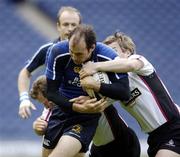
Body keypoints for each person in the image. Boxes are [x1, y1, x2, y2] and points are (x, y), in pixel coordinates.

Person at [79, 32, 180, 157]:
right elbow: (100, 104)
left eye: (114, 51)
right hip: (155, 137)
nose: (109, 56)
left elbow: (130, 65)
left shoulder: (137, 61)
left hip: (174, 126)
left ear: (127, 52)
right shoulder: (117, 84)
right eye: (106, 53)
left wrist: (96, 66)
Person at [44, 24, 132, 157]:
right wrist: (75, 106)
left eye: (79, 54)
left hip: (86, 117)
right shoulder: (57, 52)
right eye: (71, 51)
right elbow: (51, 92)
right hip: (61, 111)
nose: (73, 57)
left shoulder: (108, 56)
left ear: (92, 47)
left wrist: (96, 85)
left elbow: (124, 92)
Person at [30, 75, 141, 157]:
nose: (47, 106)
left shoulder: (83, 94)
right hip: (99, 148)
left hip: (122, 143)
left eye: (46, 102)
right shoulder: (55, 108)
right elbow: (44, 122)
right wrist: (37, 126)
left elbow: (118, 93)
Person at [18, 6, 82, 119]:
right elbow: (25, 72)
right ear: (58, 26)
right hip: (57, 108)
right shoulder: (48, 50)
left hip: (82, 106)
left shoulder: (89, 50)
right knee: (41, 128)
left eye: (74, 25)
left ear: (80, 27)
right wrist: (24, 99)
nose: (70, 29)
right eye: (65, 24)